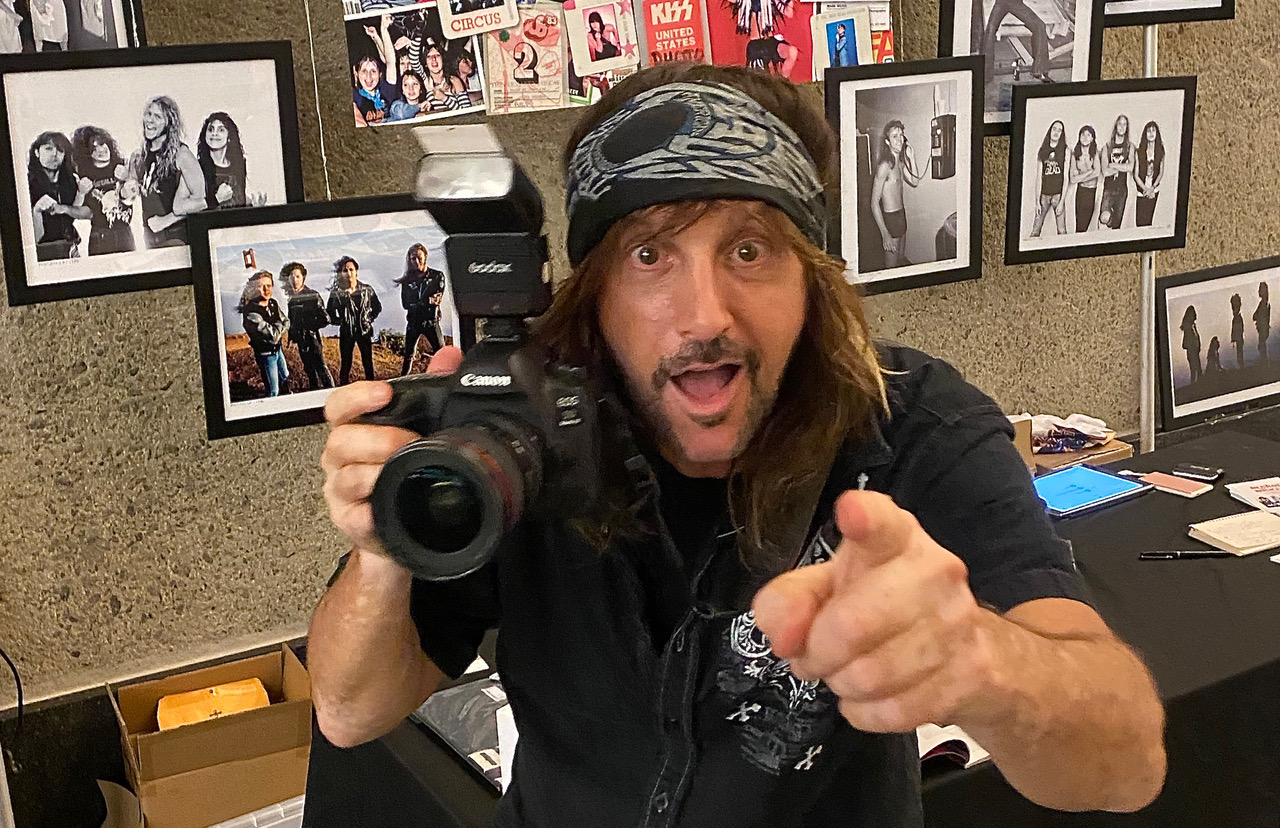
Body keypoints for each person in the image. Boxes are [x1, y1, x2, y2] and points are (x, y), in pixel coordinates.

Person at [308, 65, 1165, 827]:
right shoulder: (519, 435)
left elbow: (1128, 768)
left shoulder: (910, 426)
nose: (706, 315)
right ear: (596, 295)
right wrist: (387, 543)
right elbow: (350, 711)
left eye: (749, 250)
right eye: (650, 256)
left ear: (813, 280)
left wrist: (984, 662)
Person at [128, 95, 206, 249]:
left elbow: (202, 202)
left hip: (177, 237)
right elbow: (131, 197)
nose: (150, 120)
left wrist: (167, 220)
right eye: (148, 114)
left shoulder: (182, 155)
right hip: (149, 239)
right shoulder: (138, 157)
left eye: (157, 117)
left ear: (169, 123)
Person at [71, 125, 136, 256]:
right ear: (86, 153)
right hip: (100, 236)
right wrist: (80, 193)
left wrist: (128, 177)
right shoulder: (83, 175)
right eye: (93, 148)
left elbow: (139, 191)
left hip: (126, 233)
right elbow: (74, 212)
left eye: (102, 144)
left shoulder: (123, 165)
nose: (101, 150)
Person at [28, 131, 89, 261]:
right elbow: (35, 240)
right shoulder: (27, 185)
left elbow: (71, 216)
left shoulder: (69, 180)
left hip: (70, 248)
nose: (54, 154)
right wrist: (36, 211)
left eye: (60, 150)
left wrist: (80, 193)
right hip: (43, 252)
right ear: (37, 152)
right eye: (48, 149)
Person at [869, 119, 921, 269]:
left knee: (900, 260)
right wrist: (885, 233)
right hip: (890, 219)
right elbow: (873, 204)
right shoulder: (884, 167)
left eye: (901, 135)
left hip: (901, 216)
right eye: (894, 136)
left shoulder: (900, 163)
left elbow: (915, 181)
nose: (899, 139)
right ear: (887, 142)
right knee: (891, 268)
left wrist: (912, 158)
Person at [326, 256, 382, 384]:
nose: (349, 273)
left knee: (368, 363)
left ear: (356, 271)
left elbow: (377, 307)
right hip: (347, 332)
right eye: (345, 270)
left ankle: (371, 388)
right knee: (346, 364)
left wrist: (368, 320)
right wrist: (341, 321)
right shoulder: (337, 293)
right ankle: (343, 390)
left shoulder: (367, 289)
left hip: (364, 331)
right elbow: (329, 313)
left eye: (351, 269)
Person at [280, 262, 335, 391]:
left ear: (303, 277)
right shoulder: (292, 300)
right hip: (301, 342)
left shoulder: (312, 295)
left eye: (298, 276)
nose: (294, 279)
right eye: (292, 276)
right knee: (309, 370)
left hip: (312, 340)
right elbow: (292, 320)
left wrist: (309, 327)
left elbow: (326, 319)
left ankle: (333, 393)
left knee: (321, 368)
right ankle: (314, 396)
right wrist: (292, 336)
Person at [238, 270, 291, 398]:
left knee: (285, 376)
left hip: (278, 351)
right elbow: (273, 336)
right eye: (262, 286)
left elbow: (287, 321)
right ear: (254, 289)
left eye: (269, 285)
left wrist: (278, 328)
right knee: (273, 390)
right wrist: (280, 326)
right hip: (266, 355)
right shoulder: (252, 313)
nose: (266, 289)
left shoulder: (273, 303)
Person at [396, 243, 444, 376]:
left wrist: (419, 303)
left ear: (425, 257)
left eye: (419, 258)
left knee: (441, 353)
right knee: (408, 355)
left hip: (431, 321)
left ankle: (446, 378)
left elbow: (436, 299)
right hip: (414, 322)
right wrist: (425, 302)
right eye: (413, 259)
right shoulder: (407, 280)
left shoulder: (437, 276)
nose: (416, 261)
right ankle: (403, 381)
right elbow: (406, 304)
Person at [978, 0, 1051, 83]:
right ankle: (985, 74)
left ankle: (1040, 70)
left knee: (1040, 26)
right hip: (1003, 2)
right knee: (990, 31)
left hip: (1012, 3)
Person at [353, 14, 399, 126]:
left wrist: (383, 30)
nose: (369, 76)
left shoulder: (386, 91)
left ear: (380, 74)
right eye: (364, 71)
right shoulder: (355, 96)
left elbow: (390, 61)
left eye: (373, 71)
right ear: (357, 74)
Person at [197, 112, 248, 210]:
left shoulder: (239, 165)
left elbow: (240, 200)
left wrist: (256, 206)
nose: (214, 133)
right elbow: (184, 207)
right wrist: (216, 199)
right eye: (210, 129)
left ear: (229, 137)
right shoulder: (197, 167)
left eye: (221, 129)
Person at [1030, 120, 1067, 238]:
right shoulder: (1042, 150)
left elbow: (1066, 178)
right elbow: (1038, 178)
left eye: (1059, 130)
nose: (1056, 132)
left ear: (1062, 134)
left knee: (1062, 232)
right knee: (1035, 231)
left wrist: (1061, 202)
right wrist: (1037, 202)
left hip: (1058, 195)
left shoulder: (1065, 150)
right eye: (1054, 129)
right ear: (1050, 131)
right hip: (1044, 196)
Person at [1098, 114, 1134, 231]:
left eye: (1125, 124)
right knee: (1104, 218)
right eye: (1120, 124)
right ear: (1116, 126)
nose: (1122, 127)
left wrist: (1113, 165)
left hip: (1122, 190)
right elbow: (1105, 171)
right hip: (1108, 189)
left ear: (1127, 127)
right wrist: (1122, 166)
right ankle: (1110, 222)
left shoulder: (1129, 147)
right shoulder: (1107, 147)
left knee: (1117, 227)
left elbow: (1130, 167)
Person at [421, 37, 470, 112]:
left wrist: (445, 98)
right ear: (425, 63)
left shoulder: (454, 81)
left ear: (443, 60)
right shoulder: (425, 82)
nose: (434, 59)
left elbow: (468, 111)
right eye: (429, 56)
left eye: (437, 55)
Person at [1068, 124, 1100, 233]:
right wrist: (1090, 171)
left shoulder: (1095, 153)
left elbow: (1097, 172)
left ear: (1092, 138)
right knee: (1080, 226)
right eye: (1083, 134)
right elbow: (1072, 179)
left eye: (1088, 135)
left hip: (1092, 191)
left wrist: (1080, 177)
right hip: (1081, 192)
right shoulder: (1075, 154)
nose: (1085, 137)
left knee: (1087, 224)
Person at [1134, 121, 1164, 228]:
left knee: (1148, 221)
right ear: (1145, 134)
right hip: (1141, 190)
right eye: (1148, 131)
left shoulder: (1161, 151)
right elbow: (1136, 175)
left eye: (1153, 131)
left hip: (1153, 190)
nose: (1151, 133)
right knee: (1139, 222)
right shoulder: (1139, 151)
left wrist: (1152, 188)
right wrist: (1145, 189)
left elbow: (1161, 173)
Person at [1180, 305, 1201, 385]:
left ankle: (1197, 383)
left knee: (1197, 368)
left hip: (1195, 350)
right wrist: (1193, 346)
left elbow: (1196, 337)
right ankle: (1194, 384)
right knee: (1194, 368)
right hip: (1191, 350)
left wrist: (1198, 345)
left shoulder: (1193, 325)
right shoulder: (1188, 326)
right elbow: (1187, 341)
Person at [1255, 281, 1270, 363]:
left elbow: (1258, 316)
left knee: (1261, 345)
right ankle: (1264, 360)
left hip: (1263, 329)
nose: (1258, 291)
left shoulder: (1264, 304)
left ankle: (1264, 361)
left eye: (1260, 289)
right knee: (1261, 345)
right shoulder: (1263, 304)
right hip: (1262, 328)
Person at [1231, 293, 1245, 369]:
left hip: (1239, 338)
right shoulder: (1237, 318)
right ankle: (1240, 365)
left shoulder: (1238, 318)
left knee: (1239, 352)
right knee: (1239, 352)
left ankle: (1241, 366)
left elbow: (1238, 329)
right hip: (1239, 338)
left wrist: (1234, 337)